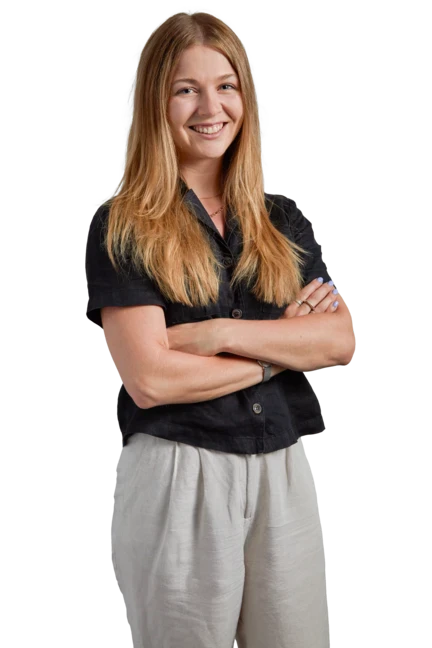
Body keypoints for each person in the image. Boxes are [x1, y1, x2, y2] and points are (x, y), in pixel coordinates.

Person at [85, 10, 355, 648]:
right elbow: (151, 379)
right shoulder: (124, 226)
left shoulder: (281, 220)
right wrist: (278, 353)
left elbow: (339, 341)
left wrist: (212, 335)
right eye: (186, 88)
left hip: (282, 467)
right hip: (183, 470)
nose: (211, 106)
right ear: (157, 100)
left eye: (226, 85)